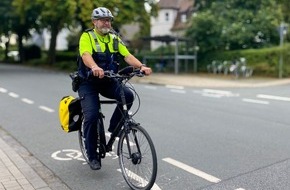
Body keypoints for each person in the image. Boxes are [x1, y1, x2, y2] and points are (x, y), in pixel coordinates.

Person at [77, 7, 152, 170]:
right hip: (88, 82)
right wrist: (95, 67)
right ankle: (92, 155)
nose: (107, 22)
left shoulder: (114, 38)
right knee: (92, 116)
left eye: (109, 20)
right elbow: (86, 55)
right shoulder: (87, 36)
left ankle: (114, 128)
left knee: (128, 96)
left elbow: (127, 56)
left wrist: (141, 66)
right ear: (94, 22)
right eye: (103, 19)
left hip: (108, 80)